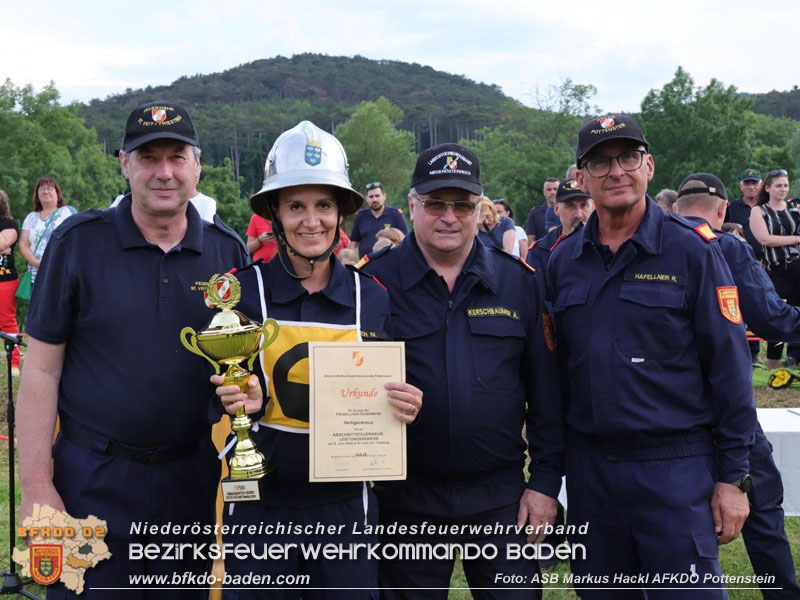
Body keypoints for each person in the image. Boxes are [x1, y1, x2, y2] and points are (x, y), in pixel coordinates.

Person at [17, 100, 249, 599]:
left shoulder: (227, 253)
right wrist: (37, 485)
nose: (163, 172)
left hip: (190, 478)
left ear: (197, 165)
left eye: (177, 156)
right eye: (148, 157)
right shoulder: (78, 243)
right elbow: (39, 372)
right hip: (90, 480)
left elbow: (241, 368)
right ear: (125, 164)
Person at [547, 114, 756, 598]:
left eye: (627, 157)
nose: (614, 171)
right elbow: (555, 375)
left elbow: (730, 370)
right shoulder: (562, 261)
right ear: (580, 178)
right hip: (592, 473)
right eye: (599, 162)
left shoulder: (693, 252)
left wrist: (732, 478)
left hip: (676, 469)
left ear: (649, 166)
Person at [215, 120, 422, 597]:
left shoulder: (371, 297)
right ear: (275, 214)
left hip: (346, 508)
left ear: (341, 214)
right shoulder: (242, 293)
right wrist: (228, 399)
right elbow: (203, 400)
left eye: (324, 205)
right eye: (296, 206)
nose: (312, 221)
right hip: (261, 506)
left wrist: (405, 405)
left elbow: (383, 395)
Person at [360, 142, 561, 597]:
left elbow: (547, 396)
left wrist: (545, 484)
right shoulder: (374, 284)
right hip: (406, 497)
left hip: (502, 496)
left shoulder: (519, 282)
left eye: (463, 205)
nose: (449, 216)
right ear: (411, 206)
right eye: (435, 203)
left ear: (479, 209)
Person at [675, 172, 800, 599]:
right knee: (762, 512)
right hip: (729, 411)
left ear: (676, 209)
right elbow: (771, 320)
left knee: (680, 527)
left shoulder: (653, 247)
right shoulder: (726, 245)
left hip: (667, 417)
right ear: (725, 210)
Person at [749, 169, 800, 368]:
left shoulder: (794, 208)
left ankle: (795, 357)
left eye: (786, 185)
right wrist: (796, 239)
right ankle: (772, 360)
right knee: (776, 314)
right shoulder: (759, 211)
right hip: (775, 269)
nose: (783, 189)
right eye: (779, 185)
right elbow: (764, 239)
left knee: (797, 312)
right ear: (768, 188)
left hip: (797, 267)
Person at [526, 179, 594, 275]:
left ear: (593, 207)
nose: (578, 214)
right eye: (570, 206)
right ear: (556, 209)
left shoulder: (608, 246)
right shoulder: (540, 251)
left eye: (584, 205)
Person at [19, 177, 76, 285]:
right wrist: (36, 262)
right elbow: (23, 244)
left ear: (57, 193)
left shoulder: (67, 212)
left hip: (61, 273)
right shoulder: (31, 217)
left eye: (49, 188)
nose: (45, 191)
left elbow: (77, 239)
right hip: (36, 276)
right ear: (37, 194)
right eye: (41, 189)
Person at [349, 181, 408, 257]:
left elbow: (405, 242)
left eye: (377, 196)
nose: (374, 199)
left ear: (384, 196)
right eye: (371, 197)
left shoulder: (396, 215)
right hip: (365, 265)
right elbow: (353, 244)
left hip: (390, 263)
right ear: (366, 199)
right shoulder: (360, 217)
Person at [0, 189, 21, 375]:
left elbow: (2, 243)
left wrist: (3, 247)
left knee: (7, 322)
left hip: (4, 280)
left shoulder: (9, 224)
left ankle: (14, 363)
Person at [726, 168, 764, 261]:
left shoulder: (768, 206)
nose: (751, 187)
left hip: (767, 259)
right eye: (747, 184)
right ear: (741, 187)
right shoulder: (731, 207)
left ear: (761, 185)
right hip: (740, 259)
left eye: (754, 183)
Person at [526, 177, 559, 243]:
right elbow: (530, 239)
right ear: (544, 192)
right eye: (549, 189)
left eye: (555, 189)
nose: (552, 192)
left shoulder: (569, 211)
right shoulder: (535, 213)